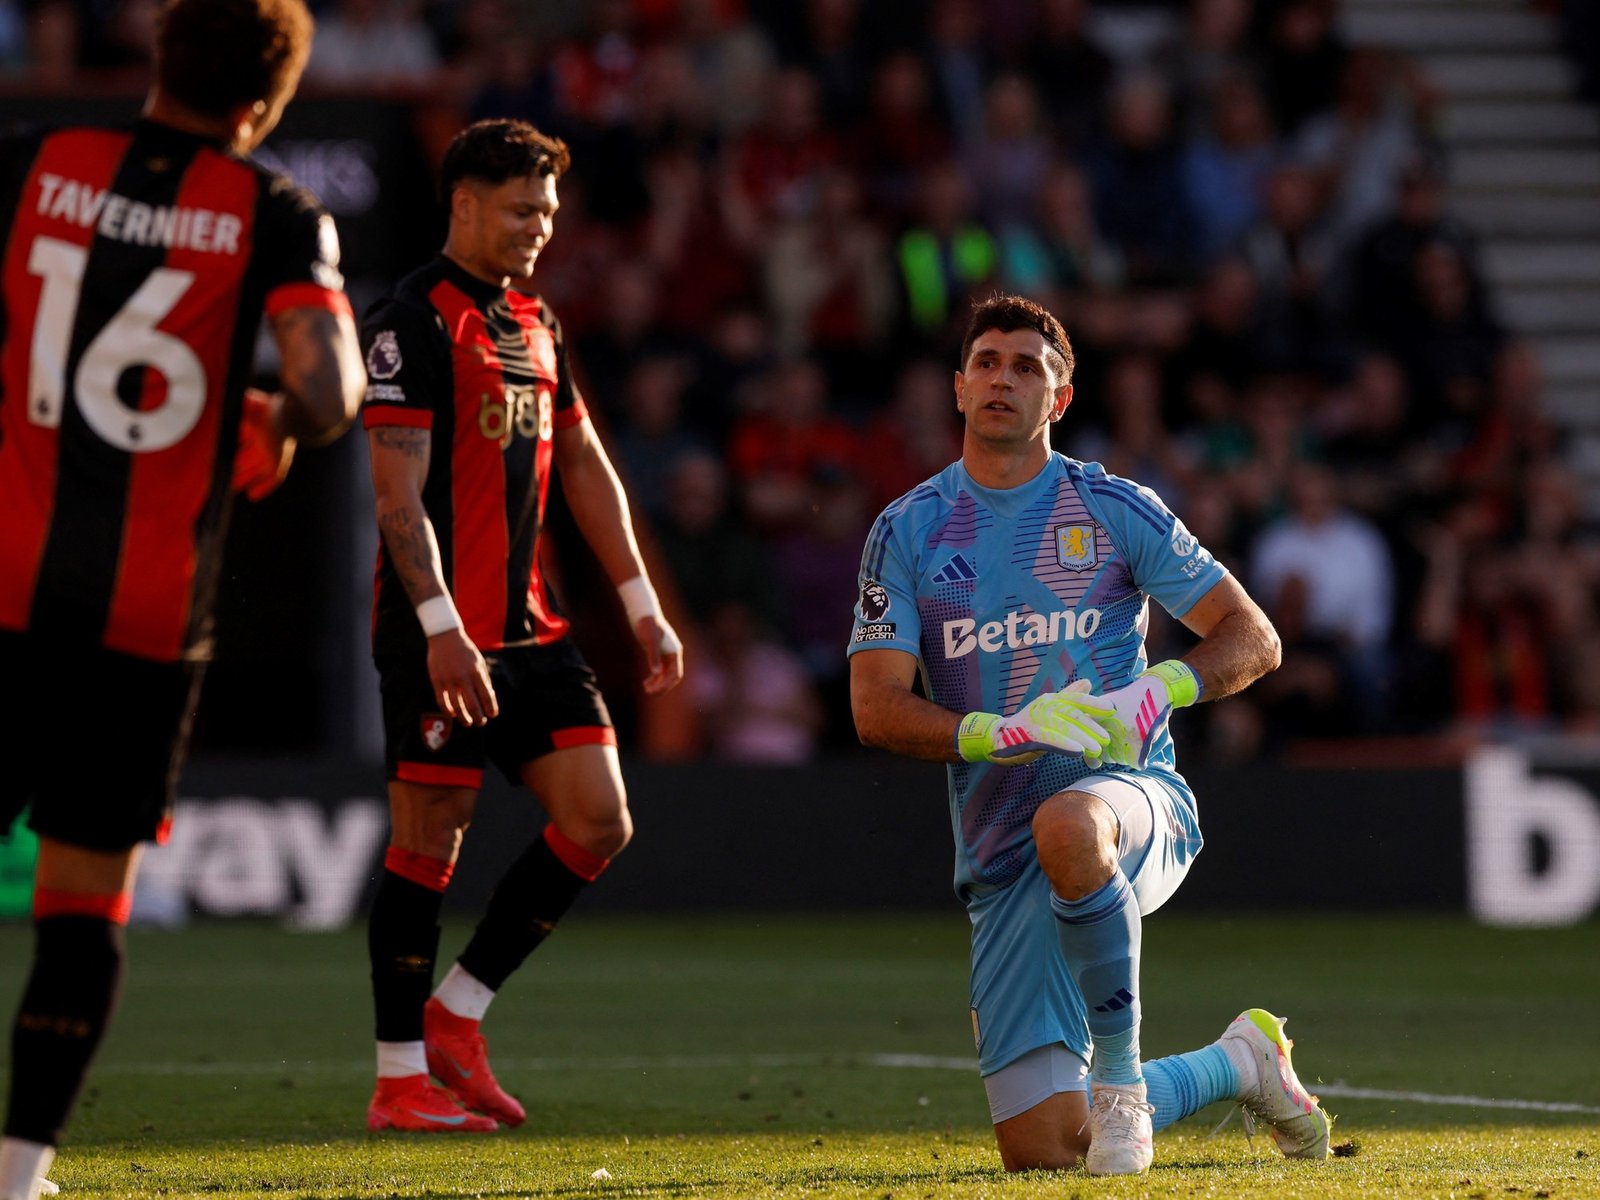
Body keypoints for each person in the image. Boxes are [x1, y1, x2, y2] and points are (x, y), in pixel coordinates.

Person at [0, 0, 365, 1194]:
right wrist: (268, 416)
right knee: (82, 900)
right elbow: (328, 392)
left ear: (159, 59)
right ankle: (17, 1172)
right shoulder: (271, 212)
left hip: (1, 586)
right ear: (264, 106)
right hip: (143, 621)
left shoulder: (34, 162)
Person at [847, 294, 1332, 1175]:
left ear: (1059, 399)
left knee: (1069, 822)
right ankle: (1240, 1063)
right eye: (987, 362)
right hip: (1000, 854)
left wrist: (1163, 686)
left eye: (1028, 366)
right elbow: (874, 708)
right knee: (1044, 1151)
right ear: (958, 388)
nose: (1004, 378)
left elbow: (1254, 637)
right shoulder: (907, 530)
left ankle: (1118, 1086)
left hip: (1131, 802)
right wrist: (995, 732)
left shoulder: (1111, 507)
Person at [360, 118, 684, 1133]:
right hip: (439, 635)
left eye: (546, 210)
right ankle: (397, 1077)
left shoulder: (534, 321)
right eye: (520, 209)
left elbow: (583, 467)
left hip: (533, 634)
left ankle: (458, 1013)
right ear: (463, 203)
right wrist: (441, 627)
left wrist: (641, 604)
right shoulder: (412, 321)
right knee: (427, 847)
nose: (539, 227)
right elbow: (396, 494)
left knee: (599, 818)